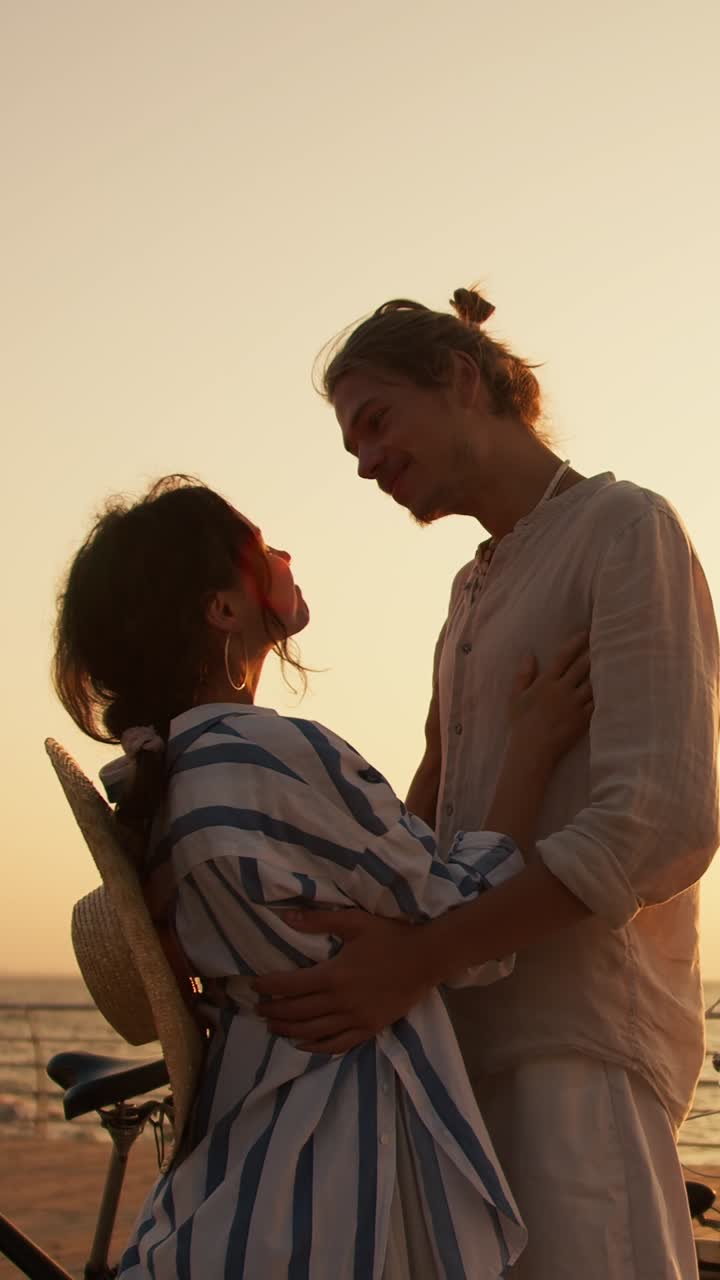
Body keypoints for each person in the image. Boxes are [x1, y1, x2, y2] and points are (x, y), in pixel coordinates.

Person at [253, 288, 720, 1279]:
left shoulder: (623, 527)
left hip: (577, 1049)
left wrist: (419, 957)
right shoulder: (471, 591)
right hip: (456, 1054)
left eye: (376, 421)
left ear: (463, 381)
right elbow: (433, 816)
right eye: (351, 444)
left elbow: (659, 820)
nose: (365, 461)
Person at [53, 475, 593, 1280]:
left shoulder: (177, 782)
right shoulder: (263, 752)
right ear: (223, 609)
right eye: (261, 548)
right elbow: (461, 921)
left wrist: (437, 758)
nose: (284, 554)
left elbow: (373, 884)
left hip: (246, 1163)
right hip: (336, 1176)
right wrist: (531, 745)